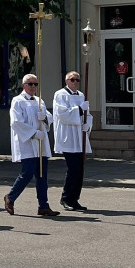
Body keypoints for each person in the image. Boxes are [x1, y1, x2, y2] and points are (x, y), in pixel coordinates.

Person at [3, 73, 57, 217]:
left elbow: (49, 118)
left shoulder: (40, 100)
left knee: (42, 175)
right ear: (24, 85)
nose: (33, 87)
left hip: (41, 143)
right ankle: (10, 197)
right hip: (27, 142)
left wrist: (44, 118)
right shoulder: (18, 101)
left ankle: (43, 205)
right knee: (27, 173)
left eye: (35, 84)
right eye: (30, 84)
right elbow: (16, 122)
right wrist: (33, 133)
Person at [53, 70, 93, 211]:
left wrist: (88, 124)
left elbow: (88, 114)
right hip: (68, 136)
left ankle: (74, 198)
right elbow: (62, 114)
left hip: (79, 136)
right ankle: (66, 198)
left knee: (80, 169)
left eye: (77, 80)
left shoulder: (81, 95)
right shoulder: (60, 94)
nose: (75, 82)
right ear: (67, 81)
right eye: (72, 79)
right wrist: (80, 110)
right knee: (73, 168)